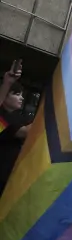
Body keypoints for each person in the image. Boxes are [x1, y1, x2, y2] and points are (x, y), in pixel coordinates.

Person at [0, 59, 33, 199]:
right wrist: (7, 82)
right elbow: (26, 132)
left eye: (22, 95)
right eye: (16, 94)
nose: (21, 98)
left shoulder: (22, 118)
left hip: (11, 181)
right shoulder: (3, 119)